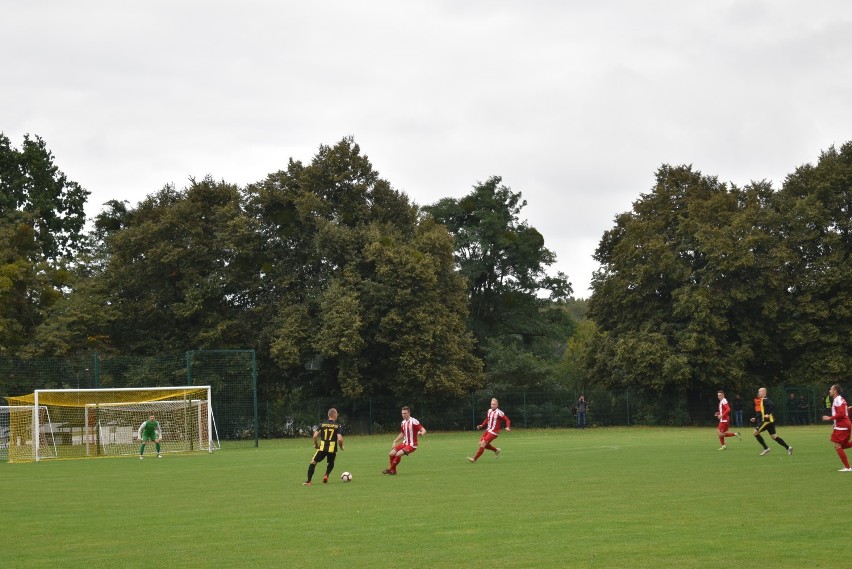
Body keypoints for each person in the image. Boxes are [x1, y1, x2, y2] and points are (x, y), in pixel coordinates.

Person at [303, 408, 345, 485]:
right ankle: (326, 475)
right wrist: (341, 447)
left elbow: (315, 436)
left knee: (313, 462)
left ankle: (309, 481)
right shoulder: (338, 426)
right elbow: (340, 439)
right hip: (332, 448)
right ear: (334, 415)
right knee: (331, 462)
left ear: (328, 415)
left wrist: (316, 445)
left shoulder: (322, 424)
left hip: (322, 447)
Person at [383, 406, 426, 475]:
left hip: (412, 445)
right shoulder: (403, 422)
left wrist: (421, 433)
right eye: (402, 413)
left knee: (399, 453)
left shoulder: (414, 421)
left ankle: (390, 469)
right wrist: (395, 441)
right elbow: (403, 433)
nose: (403, 415)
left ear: (409, 413)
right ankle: (393, 471)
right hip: (405, 443)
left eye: (405, 413)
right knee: (391, 454)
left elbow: (423, 430)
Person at [750, 387, 793, 456]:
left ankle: (766, 448)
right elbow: (763, 412)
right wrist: (755, 418)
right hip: (770, 421)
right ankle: (788, 447)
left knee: (755, 432)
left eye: (760, 392)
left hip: (767, 421)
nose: (758, 393)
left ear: (764, 392)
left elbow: (772, 405)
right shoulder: (763, 400)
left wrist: (768, 414)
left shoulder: (765, 399)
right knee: (774, 437)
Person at [467, 398, 511, 462]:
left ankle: (474, 459)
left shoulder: (499, 413)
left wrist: (508, 427)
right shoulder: (489, 411)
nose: (492, 405)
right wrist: (482, 425)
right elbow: (487, 419)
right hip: (488, 430)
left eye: (494, 404)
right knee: (481, 443)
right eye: (491, 404)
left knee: (483, 443)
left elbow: (507, 420)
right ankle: (496, 450)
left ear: (497, 405)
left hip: (494, 432)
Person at [821, 384, 852, 472]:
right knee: (842, 445)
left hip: (842, 425)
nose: (829, 391)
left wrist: (829, 418)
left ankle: (847, 467)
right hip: (843, 425)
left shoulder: (837, 400)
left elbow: (841, 414)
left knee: (838, 445)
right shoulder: (839, 399)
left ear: (835, 391)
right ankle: (847, 467)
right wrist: (835, 423)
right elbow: (843, 411)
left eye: (831, 389)